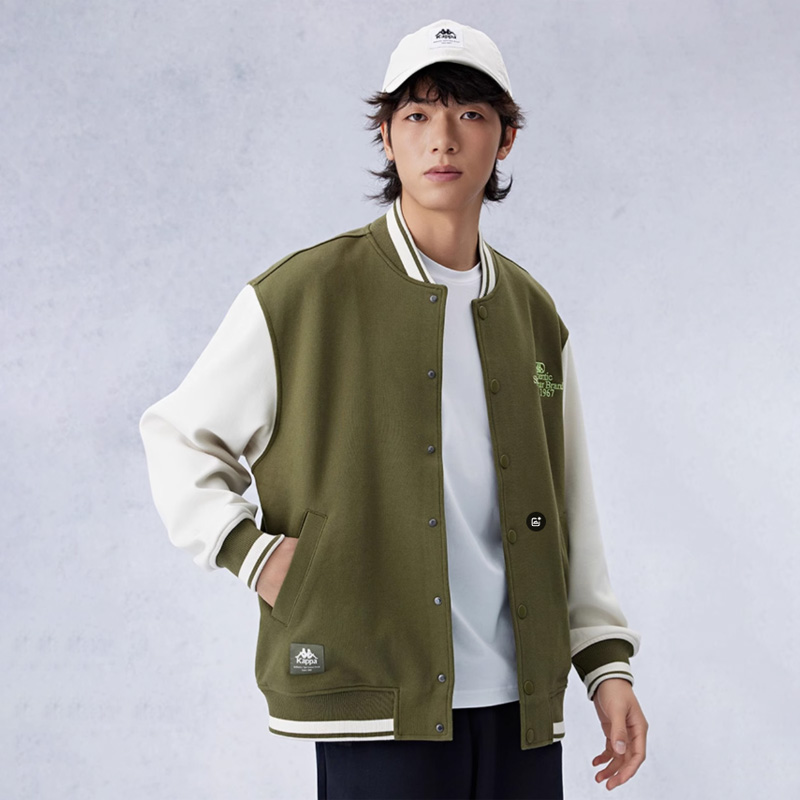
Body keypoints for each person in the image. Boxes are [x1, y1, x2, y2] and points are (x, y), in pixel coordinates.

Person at [139, 18, 648, 799]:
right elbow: (178, 435)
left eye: (470, 113)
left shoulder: (534, 316)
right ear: (386, 135)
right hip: (374, 697)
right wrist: (252, 553)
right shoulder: (303, 295)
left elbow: (569, 501)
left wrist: (605, 664)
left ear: (505, 138)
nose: (442, 138)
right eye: (417, 114)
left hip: (521, 703)